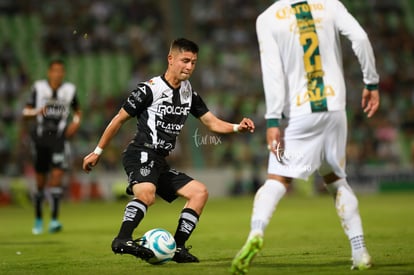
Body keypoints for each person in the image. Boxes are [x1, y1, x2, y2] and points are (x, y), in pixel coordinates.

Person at [231, 0, 380, 274]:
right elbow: (360, 37)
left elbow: (272, 73)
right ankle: (360, 252)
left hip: (301, 112)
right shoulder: (330, 4)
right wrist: (371, 82)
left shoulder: (267, 18)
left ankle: (255, 233)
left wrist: (273, 119)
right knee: (336, 179)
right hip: (335, 108)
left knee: (277, 179)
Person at [82, 38, 255, 263]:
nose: (189, 67)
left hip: (159, 161)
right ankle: (122, 239)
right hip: (141, 153)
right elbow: (118, 120)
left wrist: (236, 127)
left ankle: (178, 248)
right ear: (170, 59)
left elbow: (211, 122)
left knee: (199, 193)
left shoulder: (188, 92)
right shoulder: (149, 89)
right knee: (147, 194)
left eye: (193, 62)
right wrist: (97, 151)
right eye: (185, 60)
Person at [23, 59, 82, 234]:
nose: (58, 74)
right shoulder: (39, 88)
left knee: (57, 177)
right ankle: (39, 218)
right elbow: (25, 112)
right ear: (49, 72)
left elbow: (78, 111)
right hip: (41, 139)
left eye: (60, 71)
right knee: (41, 183)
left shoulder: (69, 90)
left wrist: (76, 123)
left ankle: (55, 220)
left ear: (63, 73)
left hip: (59, 139)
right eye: (54, 70)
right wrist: (36, 111)